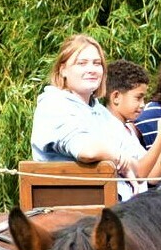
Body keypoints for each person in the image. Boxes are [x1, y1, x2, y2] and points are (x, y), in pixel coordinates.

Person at [29, 35, 142, 173]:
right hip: (74, 192)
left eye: (97, 63)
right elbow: (87, 151)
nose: (91, 69)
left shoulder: (101, 112)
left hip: (118, 192)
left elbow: (139, 166)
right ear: (63, 69)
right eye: (81, 63)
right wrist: (119, 158)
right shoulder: (53, 105)